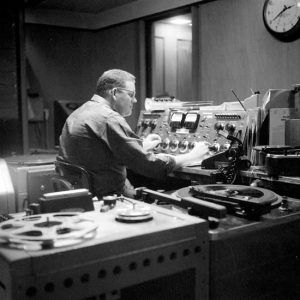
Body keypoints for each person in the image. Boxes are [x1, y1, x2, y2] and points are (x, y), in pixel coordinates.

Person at [59, 69, 208, 198]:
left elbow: (100, 151)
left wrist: (141, 145)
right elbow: (151, 165)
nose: (135, 100)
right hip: (108, 199)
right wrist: (191, 156)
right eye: (131, 95)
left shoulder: (78, 113)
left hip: (83, 195)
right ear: (115, 93)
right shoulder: (109, 118)